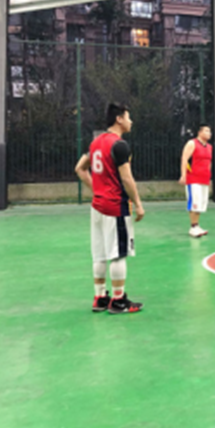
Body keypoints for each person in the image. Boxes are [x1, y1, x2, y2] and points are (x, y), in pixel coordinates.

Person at [75, 103, 145, 314]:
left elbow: (80, 169)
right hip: (115, 206)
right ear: (119, 119)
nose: (131, 121)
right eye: (128, 117)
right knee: (118, 254)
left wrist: (97, 190)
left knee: (99, 254)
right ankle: (118, 301)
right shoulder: (119, 145)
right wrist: (138, 203)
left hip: (97, 206)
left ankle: (100, 297)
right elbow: (127, 178)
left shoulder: (96, 143)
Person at [179, 123, 213, 238]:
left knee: (201, 204)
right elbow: (184, 158)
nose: (209, 133)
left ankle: (197, 226)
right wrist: (183, 175)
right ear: (200, 132)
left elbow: (209, 163)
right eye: (206, 131)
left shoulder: (209, 147)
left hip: (204, 179)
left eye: (210, 131)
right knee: (194, 203)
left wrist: (208, 176)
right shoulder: (192, 143)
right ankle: (193, 227)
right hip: (193, 179)